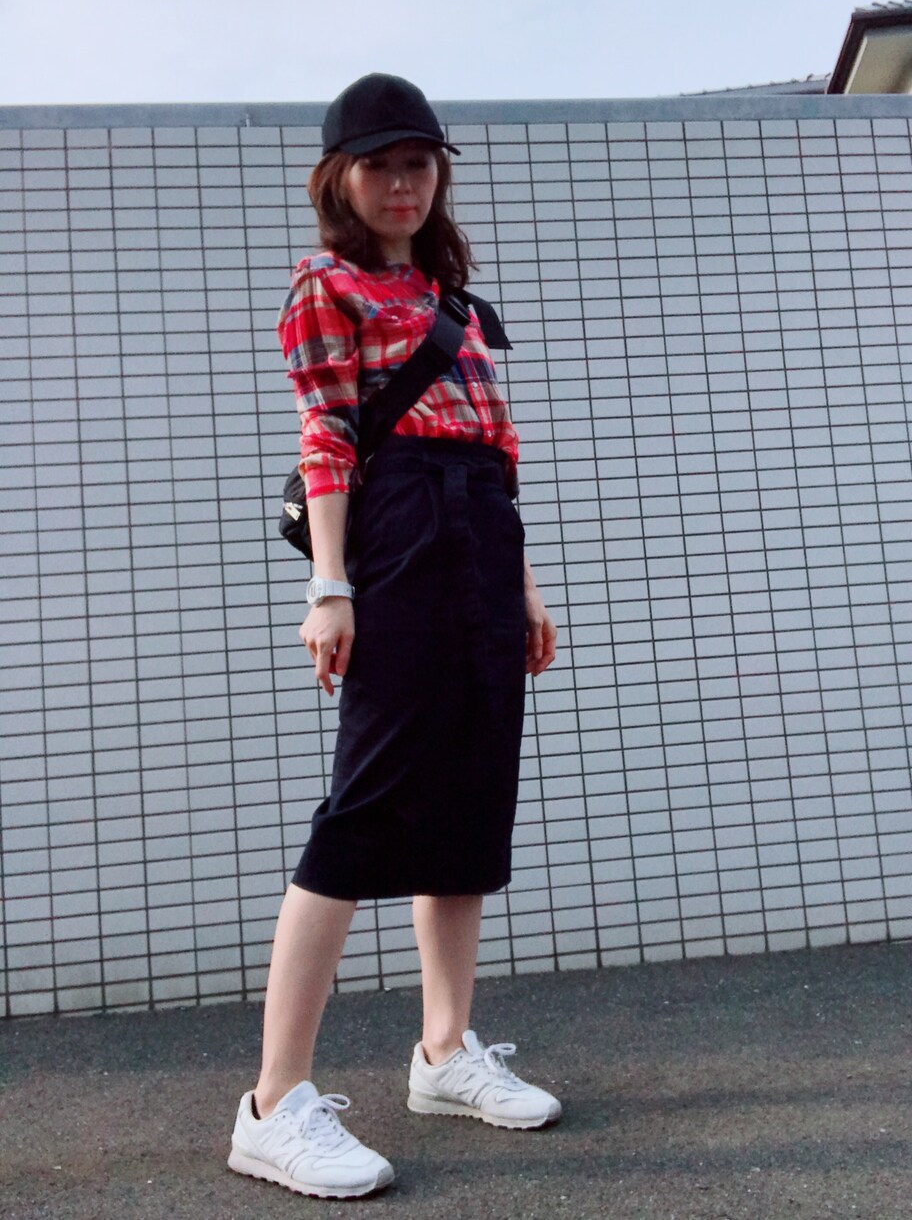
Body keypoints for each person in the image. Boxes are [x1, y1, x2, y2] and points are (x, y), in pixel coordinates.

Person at [227, 73, 560, 1200]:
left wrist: (521, 585)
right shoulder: (324, 284)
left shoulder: (455, 303)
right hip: (399, 533)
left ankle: (444, 1051)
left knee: (470, 793)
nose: (403, 182)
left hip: (481, 534)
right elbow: (326, 434)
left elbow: (499, 455)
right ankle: (273, 1103)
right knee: (365, 806)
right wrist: (331, 585)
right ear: (340, 178)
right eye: (380, 165)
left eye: (419, 163)